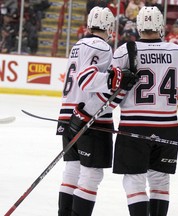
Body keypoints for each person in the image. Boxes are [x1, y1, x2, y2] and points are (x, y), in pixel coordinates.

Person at [111, 6, 178, 216]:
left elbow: (109, 92)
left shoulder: (124, 51)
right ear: (161, 26)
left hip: (133, 127)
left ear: (139, 25)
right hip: (167, 128)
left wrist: (92, 115)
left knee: (134, 180)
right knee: (160, 180)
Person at [56, 6, 138, 216]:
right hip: (88, 118)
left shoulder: (78, 45)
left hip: (67, 116)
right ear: (109, 26)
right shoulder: (101, 46)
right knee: (91, 175)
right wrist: (117, 78)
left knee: (72, 170)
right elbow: (86, 79)